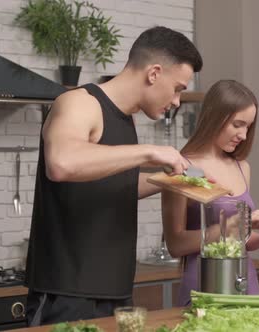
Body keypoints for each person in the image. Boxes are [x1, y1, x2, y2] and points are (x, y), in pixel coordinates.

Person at [25, 26, 203, 326]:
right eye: (178, 88)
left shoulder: (125, 119)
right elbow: (62, 163)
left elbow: (112, 184)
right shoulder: (80, 103)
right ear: (154, 73)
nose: (176, 101)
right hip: (67, 294)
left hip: (116, 292)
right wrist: (150, 152)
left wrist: (174, 180)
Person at [161, 80, 259, 306]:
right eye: (237, 124)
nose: (243, 135)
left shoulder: (242, 167)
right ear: (215, 117)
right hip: (206, 288)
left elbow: (240, 240)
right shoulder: (181, 167)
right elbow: (176, 244)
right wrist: (236, 224)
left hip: (246, 283)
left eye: (248, 127)